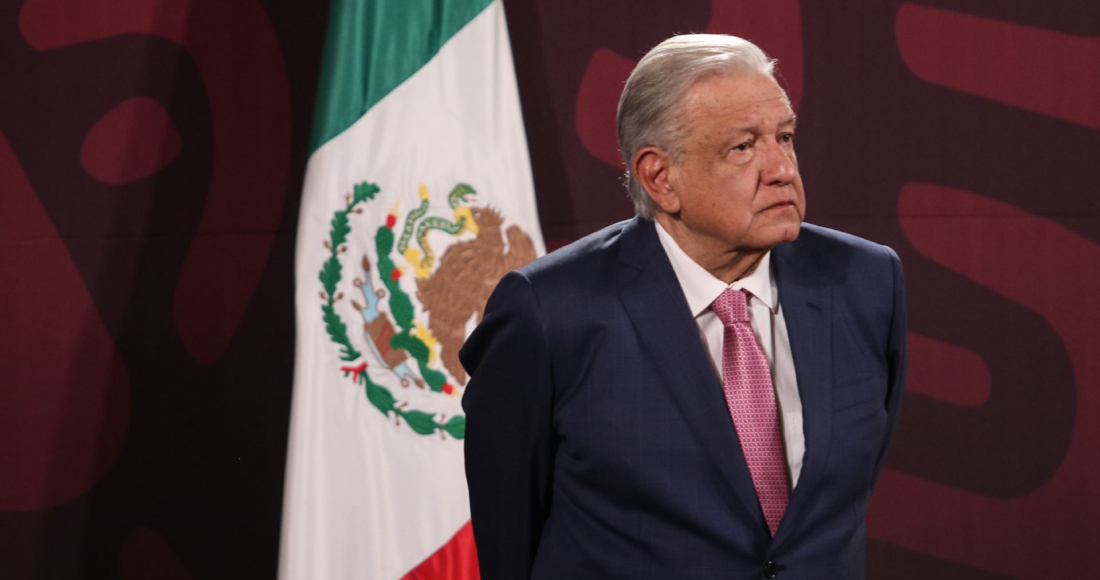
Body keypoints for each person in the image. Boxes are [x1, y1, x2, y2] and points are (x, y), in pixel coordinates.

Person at [460, 34, 906, 580]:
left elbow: (839, 499)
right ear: (660, 177)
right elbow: (509, 535)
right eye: (743, 147)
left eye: (784, 137)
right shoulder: (551, 312)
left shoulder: (863, 280)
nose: (782, 168)